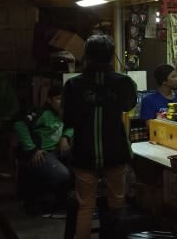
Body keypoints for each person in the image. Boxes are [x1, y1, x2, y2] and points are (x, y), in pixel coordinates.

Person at [62, 34, 138, 239]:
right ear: (112, 56)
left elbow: (67, 119)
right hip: (115, 152)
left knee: (85, 206)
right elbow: (129, 105)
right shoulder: (124, 82)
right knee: (116, 205)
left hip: (84, 153)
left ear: (87, 56)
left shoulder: (73, 85)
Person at [13, 82, 72, 215]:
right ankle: (51, 204)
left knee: (82, 162)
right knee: (62, 174)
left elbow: (72, 125)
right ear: (49, 100)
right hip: (41, 153)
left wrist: (65, 137)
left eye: (64, 99)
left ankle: (63, 202)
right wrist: (32, 149)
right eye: (58, 99)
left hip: (57, 151)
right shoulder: (40, 113)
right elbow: (19, 124)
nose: (61, 102)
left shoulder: (65, 112)